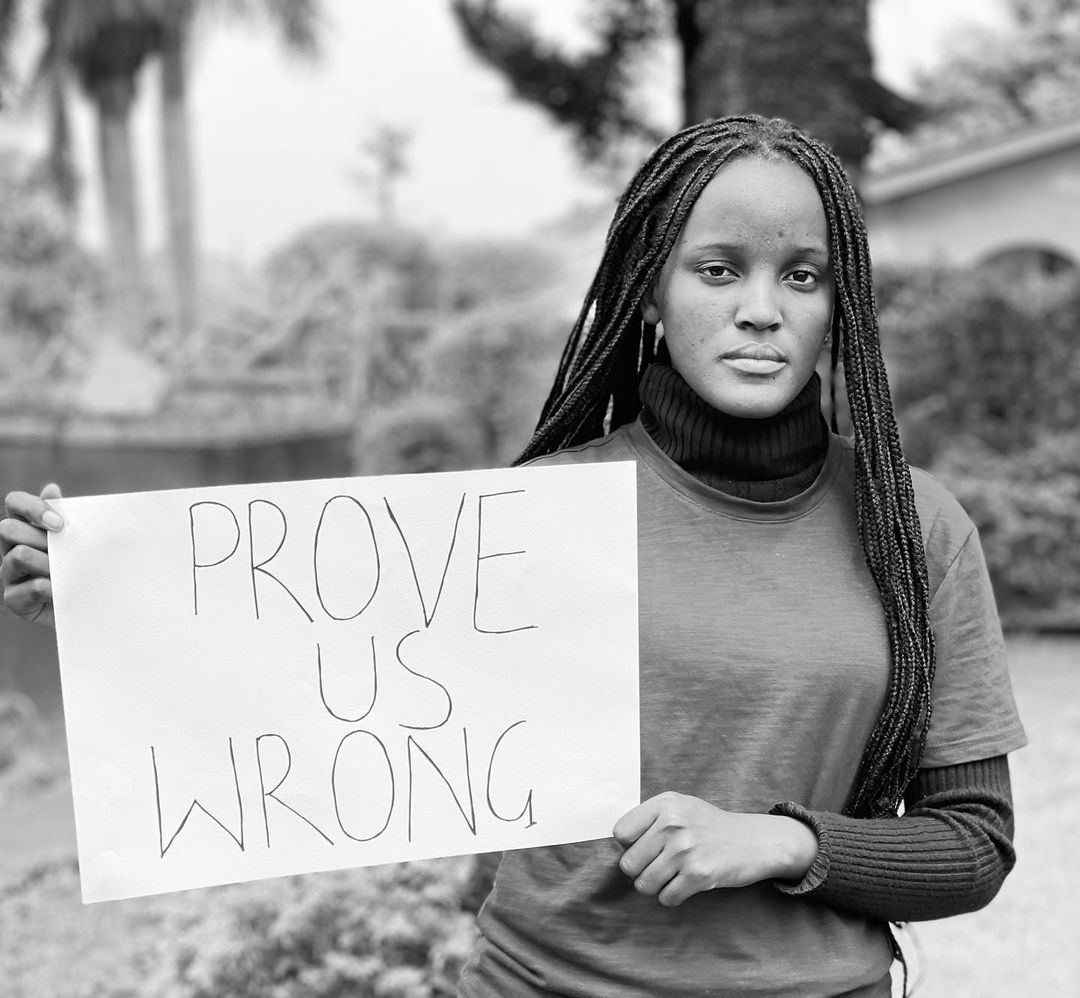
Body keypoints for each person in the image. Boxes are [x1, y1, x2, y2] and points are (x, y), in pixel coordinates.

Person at [1, 115, 1027, 998]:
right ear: (650, 292)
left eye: (802, 276)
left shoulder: (915, 532)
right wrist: (115, 597)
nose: (762, 308)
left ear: (837, 303)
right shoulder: (535, 517)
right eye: (718, 270)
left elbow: (974, 843)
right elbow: (329, 687)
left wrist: (785, 840)